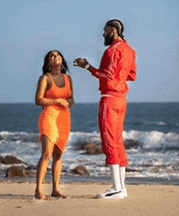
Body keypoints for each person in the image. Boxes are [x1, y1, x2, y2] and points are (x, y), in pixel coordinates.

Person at [73, 19, 137, 199]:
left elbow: (107, 75)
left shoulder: (112, 50)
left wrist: (88, 67)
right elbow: (132, 75)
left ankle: (116, 187)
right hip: (122, 100)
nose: (103, 33)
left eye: (105, 30)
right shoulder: (130, 51)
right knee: (118, 141)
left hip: (109, 98)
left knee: (109, 141)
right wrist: (119, 78)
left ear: (115, 30)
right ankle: (122, 188)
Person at [35, 50, 74, 200]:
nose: (55, 57)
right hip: (49, 116)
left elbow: (71, 99)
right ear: (48, 62)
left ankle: (55, 189)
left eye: (58, 55)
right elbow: (38, 100)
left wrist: (69, 103)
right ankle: (38, 190)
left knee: (58, 155)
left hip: (64, 118)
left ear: (62, 60)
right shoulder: (45, 78)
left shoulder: (68, 79)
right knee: (46, 154)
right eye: (52, 56)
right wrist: (57, 101)